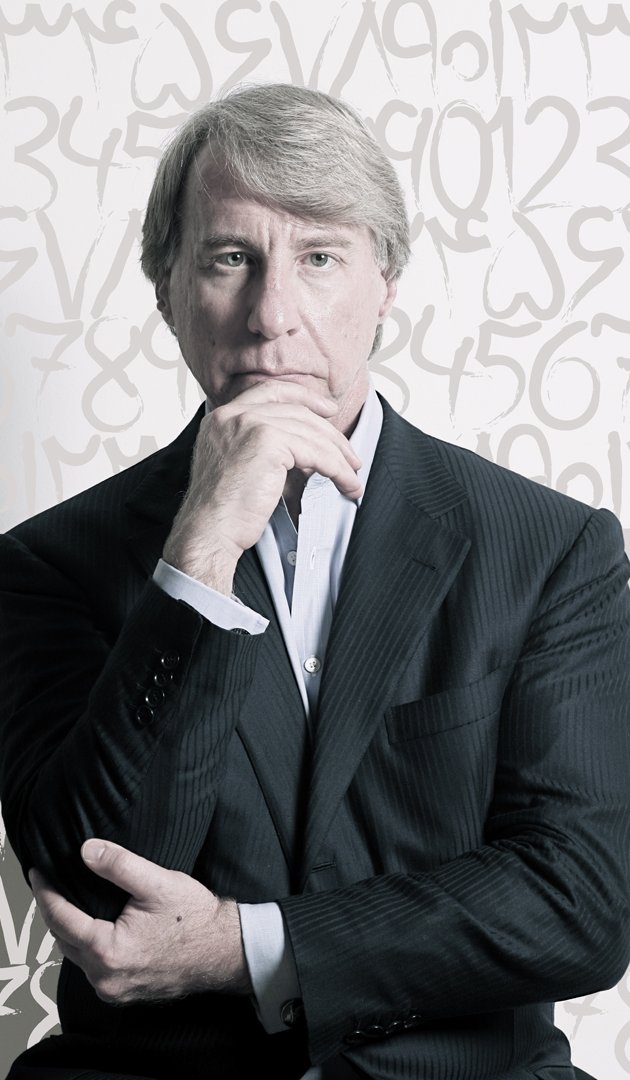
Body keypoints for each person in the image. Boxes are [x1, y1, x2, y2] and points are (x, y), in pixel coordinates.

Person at [0, 83, 628, 1080]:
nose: (272, 317)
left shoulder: (553, 549)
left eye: (320, 258)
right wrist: (198, 554)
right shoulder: (47, 565)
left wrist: (245, 947)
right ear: (166, 291)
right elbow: (100, 903)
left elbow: (581, 904)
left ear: (387, 283)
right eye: (229, 258)